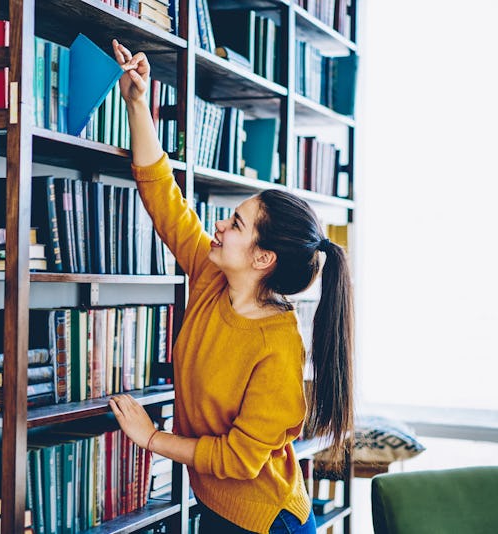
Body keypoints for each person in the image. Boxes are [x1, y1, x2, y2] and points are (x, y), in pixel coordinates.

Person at [107, 39, 354, 534]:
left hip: (265, 521)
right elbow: (163, 195)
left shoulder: (278, 348)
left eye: (237, 224)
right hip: (218, 508)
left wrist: (151, 438)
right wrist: (137, 101)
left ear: (263, 259)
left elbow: (240, 459)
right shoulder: (209, 275)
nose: (220, 224)